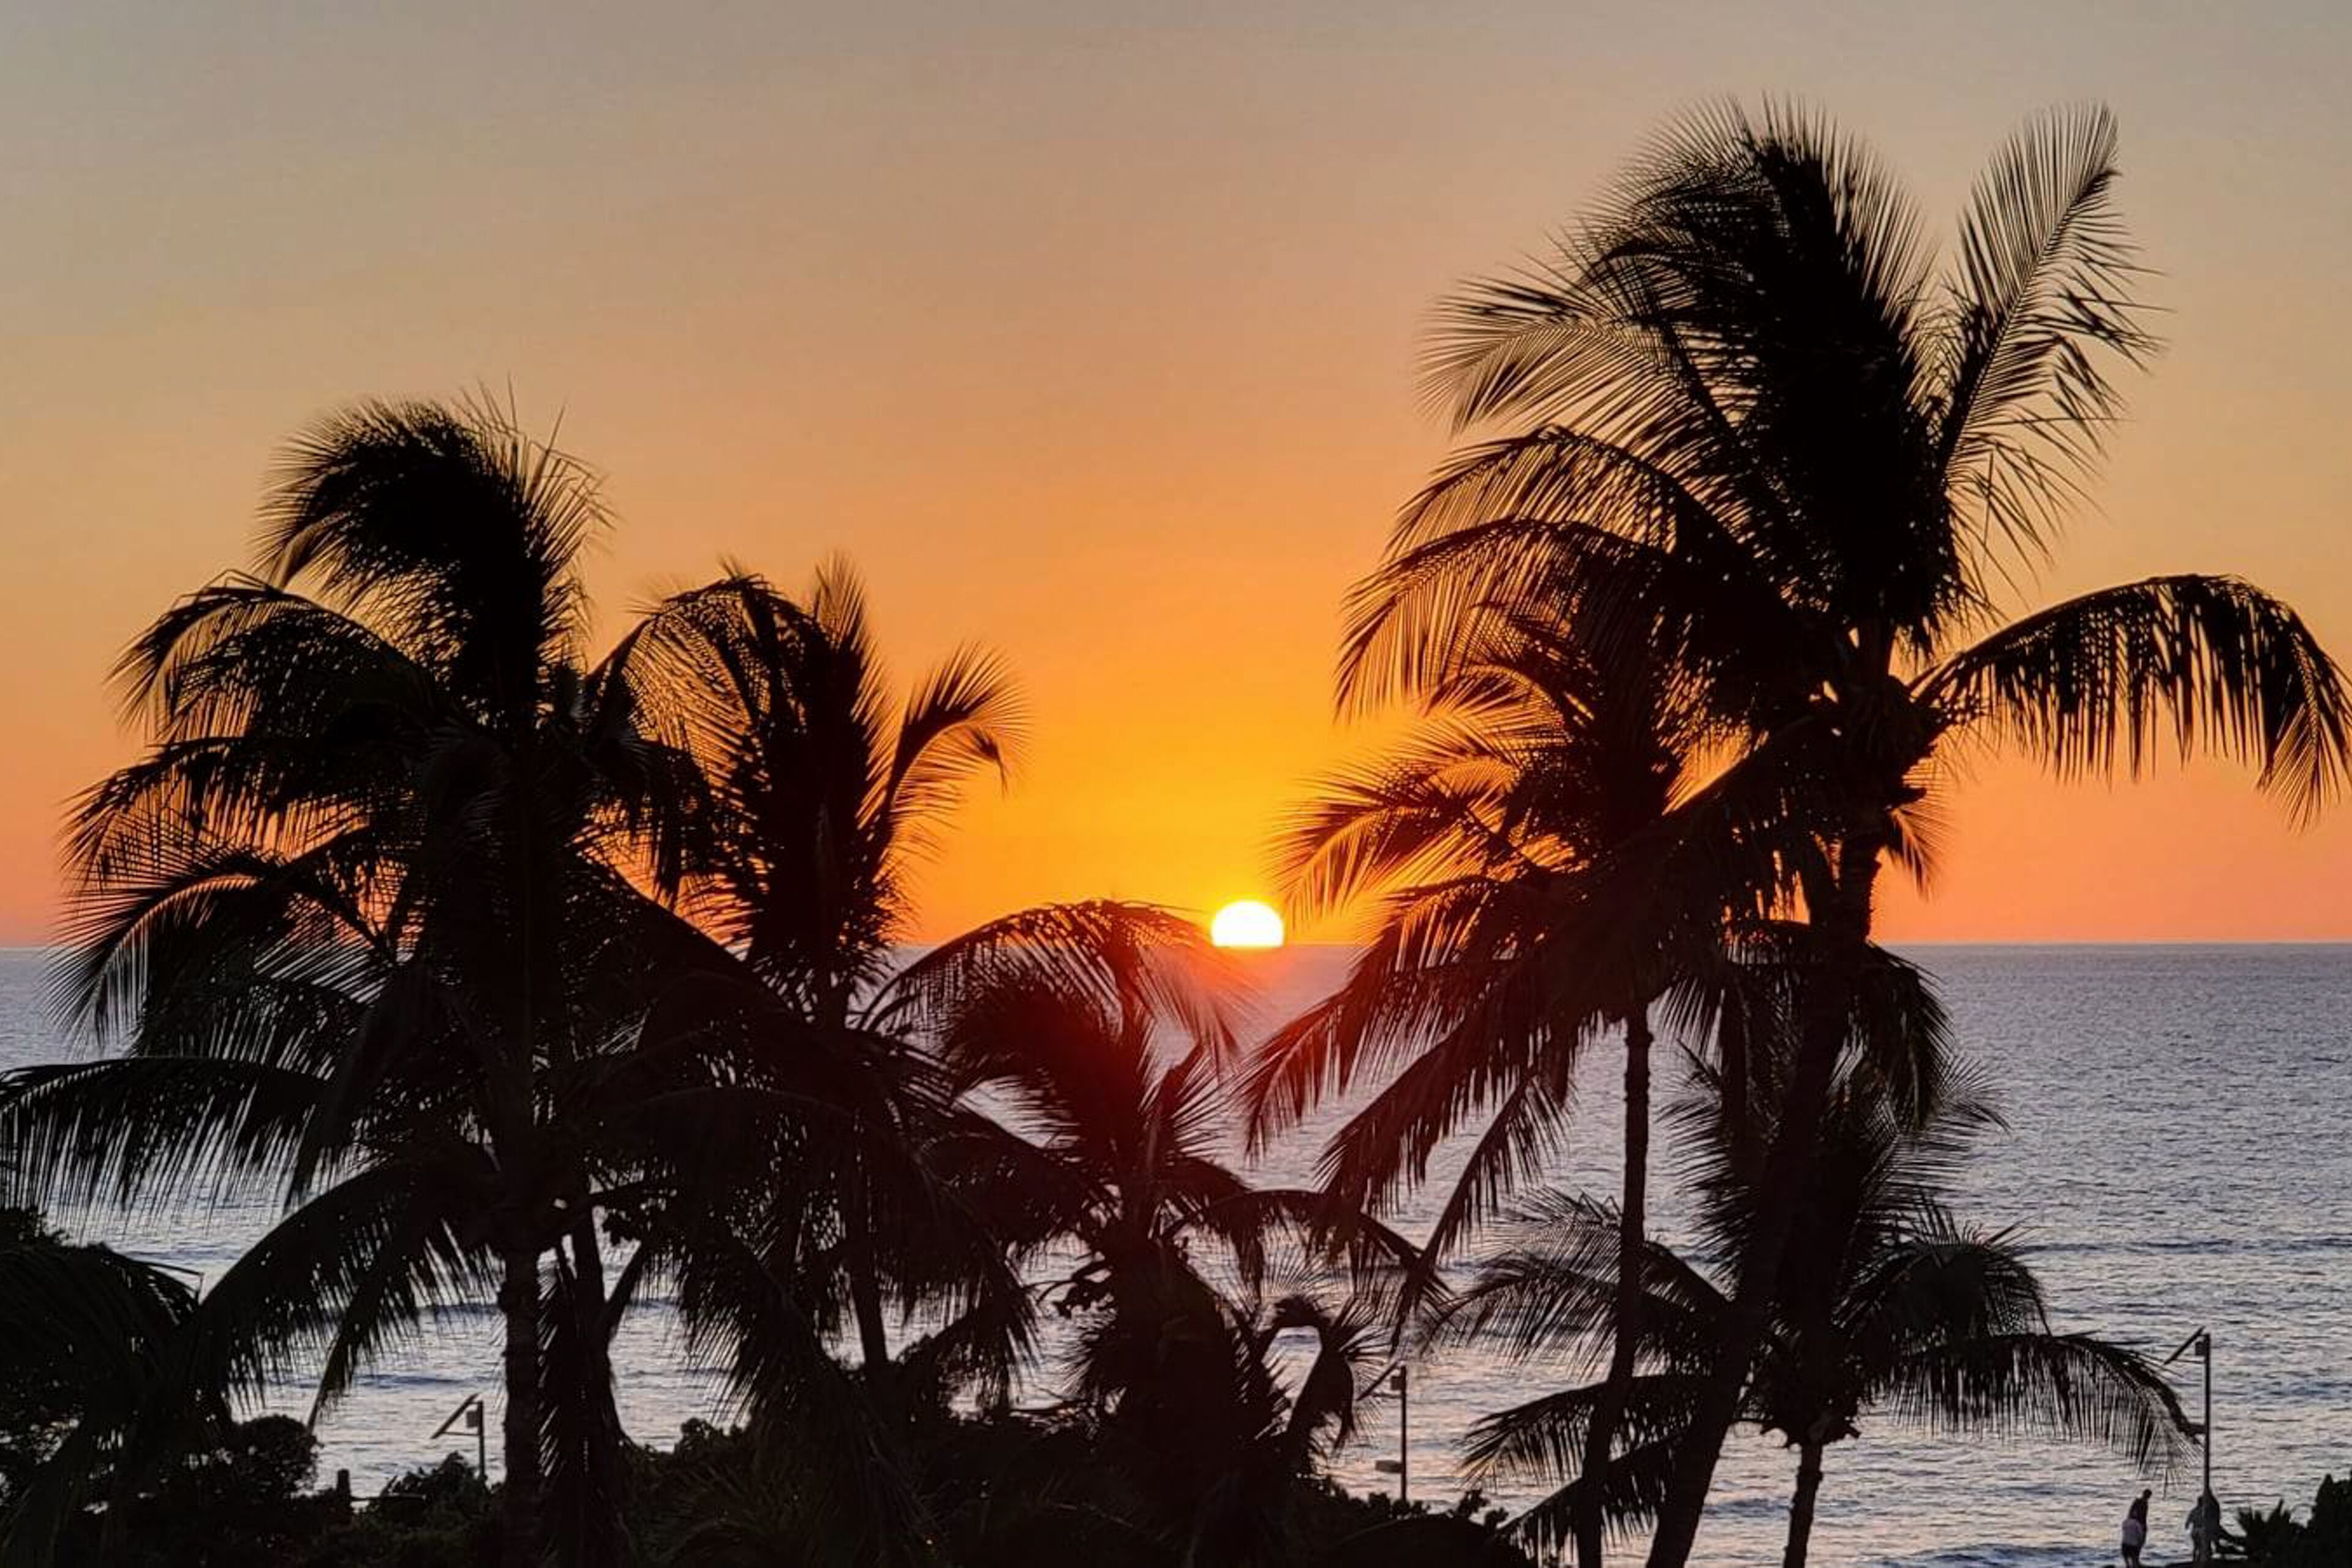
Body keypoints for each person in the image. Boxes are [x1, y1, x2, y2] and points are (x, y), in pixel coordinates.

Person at [2187, 1489, 2223, 1564]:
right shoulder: (2205, 1510)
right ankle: (2205, 1559)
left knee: (2196, 1547)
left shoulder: (2194, 1511)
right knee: (2205, 1545)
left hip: (2195, 1531)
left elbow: (2187, 1524)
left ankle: (2195, 1560)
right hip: (2203, 1531)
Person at [2120, 1488, 2150, 1566]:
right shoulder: (2140, 1502)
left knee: (2138, 1543)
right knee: (2138, 1543)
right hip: (2137, 1523)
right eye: (2148, 1496)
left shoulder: (2142, 1502)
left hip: (2138, 1523)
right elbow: (2135, 1514)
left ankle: (2136, 1560)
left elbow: (2141, 1515)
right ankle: (2135, 1561)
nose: (2148, 1497)